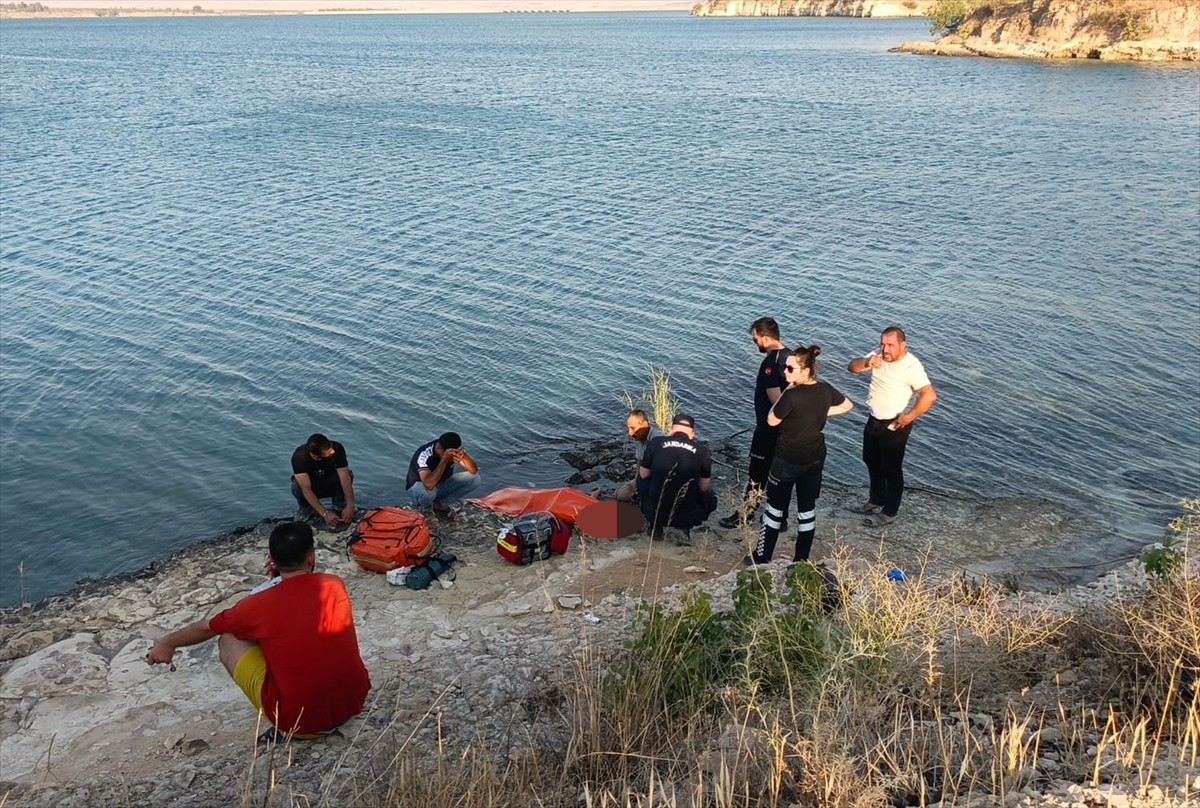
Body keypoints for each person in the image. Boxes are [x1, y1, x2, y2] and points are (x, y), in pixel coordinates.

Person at [146, 522, 371, 741]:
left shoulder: (257, 606)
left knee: (229, 638)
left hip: (301, 724)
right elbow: (300, 600)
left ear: (272, 561)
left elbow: (206, 628)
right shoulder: (334, 584)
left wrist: (168, 642)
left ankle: (282, 729)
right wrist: (278, 581)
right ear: (311, 557)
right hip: (353, 704)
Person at [747, 345, 853, 565]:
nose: (785, 372)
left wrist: (787, 389)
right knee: (806, 510)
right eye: (785, 367)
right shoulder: (825, 389)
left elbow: (771, 419)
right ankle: (801, 559)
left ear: (806, 371)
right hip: (814, 457)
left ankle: (762, 556)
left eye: (790, 369)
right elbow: (847, 405)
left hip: (787, 459)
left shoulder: (791, 395)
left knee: (774, 509)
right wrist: (820, 412)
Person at [846, 326, 937, 526]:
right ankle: (876, 498)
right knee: (870, 459)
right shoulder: (877, 356)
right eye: (883, 344)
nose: (885, 349)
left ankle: (890, 511)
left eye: (890, 345)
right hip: (874, 417)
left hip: (896, 423)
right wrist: (866, 362)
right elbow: (851, 367)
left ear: (902, 345)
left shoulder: (911, 366)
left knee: (892, 468)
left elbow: (929, 396)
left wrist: (909, 417)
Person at [719, 317, 792, 529]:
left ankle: (745, 515)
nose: (755, 344)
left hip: (768, 429)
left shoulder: (771, 363)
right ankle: (781, 518)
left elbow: (776, 400)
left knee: (757, 474)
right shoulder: (792, 357)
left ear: (766, 338)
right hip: (787, 431)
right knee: (780, 475)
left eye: (756, 339)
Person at [637, 414, 717, 539]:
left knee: (642, 481)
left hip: (655, 511)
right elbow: (703, 487)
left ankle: (655, 526)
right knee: (710, 495)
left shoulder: (655, 443)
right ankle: (685, 528)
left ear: (670, 430)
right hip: (685, 515)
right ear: (692, 434)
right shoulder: (703, 451)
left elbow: (643, 474)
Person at [406, 431, 480, 519]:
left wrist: (463, 456)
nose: (452, 457)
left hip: (440, 486)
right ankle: (427, 511)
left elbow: (473, 470)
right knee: (428, 493)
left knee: (475, 479)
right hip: (418, 490)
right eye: (450, 454)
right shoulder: (424, 455)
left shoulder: (451, 449)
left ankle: (440, 505)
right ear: (438, 448)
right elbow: (428, 484)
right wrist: (444, 460)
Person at [290, 433, 356, 529]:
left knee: (349, 474)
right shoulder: (300, 457)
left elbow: (344, 476)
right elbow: (306, 490)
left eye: (331, 448)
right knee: (297, 485)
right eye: (329, 452)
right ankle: (306, 508)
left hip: (330, 482)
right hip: (312, 487)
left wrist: (350, 505)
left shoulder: (337, 448)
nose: (332, 451)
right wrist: (325, 513)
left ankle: (339, 505)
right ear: (317, 457)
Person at [615, 409, 665, 503]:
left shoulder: (659, 440)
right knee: (620, 495)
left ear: (645, 424)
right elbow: (639, 461)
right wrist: (636, 482)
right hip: (644, 477)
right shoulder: (639, 437)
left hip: (657, 480)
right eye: (628, 428)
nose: (630, 433)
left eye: (633, 428)